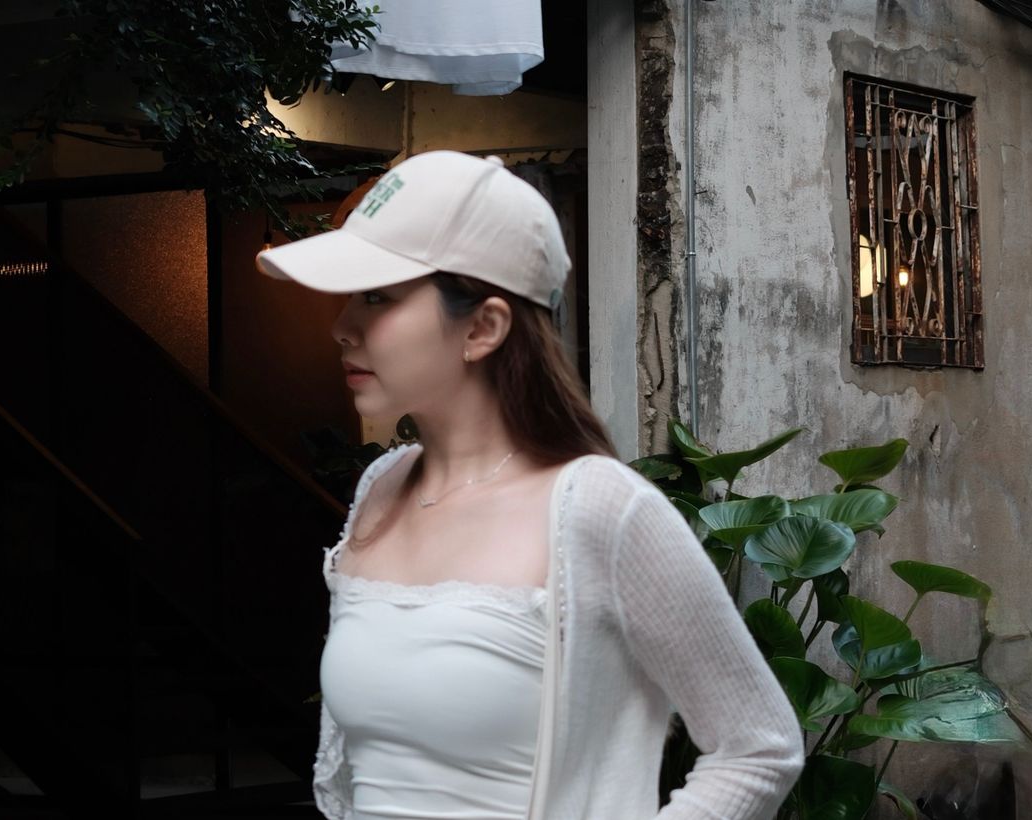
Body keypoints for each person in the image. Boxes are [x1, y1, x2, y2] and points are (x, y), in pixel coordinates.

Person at [256, 150, 803, 820]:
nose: (342, 328)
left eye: (377, 297)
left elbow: (759, 746)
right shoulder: (382, 486)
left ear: (483, 327)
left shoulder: (599, 508)